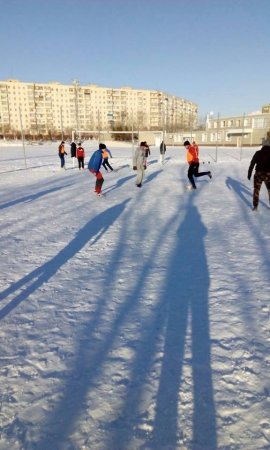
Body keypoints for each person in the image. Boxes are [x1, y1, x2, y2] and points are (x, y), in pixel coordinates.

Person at [247, 145, 270, 211]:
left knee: (256, 190)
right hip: (269, 175)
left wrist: (249, 173)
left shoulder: (258, 153)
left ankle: (255, 206)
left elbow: (252, 163)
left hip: (259, 174)